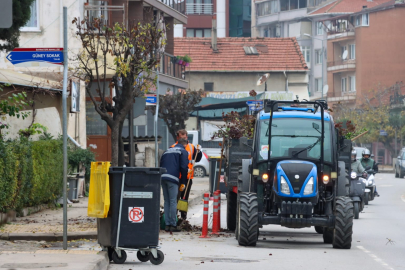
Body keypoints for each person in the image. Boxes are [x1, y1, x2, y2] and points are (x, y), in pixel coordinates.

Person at [171, 129, 202, 220]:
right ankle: (174, 217)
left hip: (188, 178)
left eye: (185, 138)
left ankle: (183, 217)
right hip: (177, 177)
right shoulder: (173, 147)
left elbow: (197, 159)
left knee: (184, 199)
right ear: (177, 138)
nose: (184, 140)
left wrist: (198, 152)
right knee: (175, 198)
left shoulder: (192, 147)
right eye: (182, 138)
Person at [160, 138, 189, 233]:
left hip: (163, 177)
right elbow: (184, 167)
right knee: (173, 201)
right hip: (173, 178)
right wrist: (183, 182)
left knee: (167, 201)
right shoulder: (182, 151)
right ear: (185, 144)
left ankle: (167, 225)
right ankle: (173, 224)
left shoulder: (167, 151)